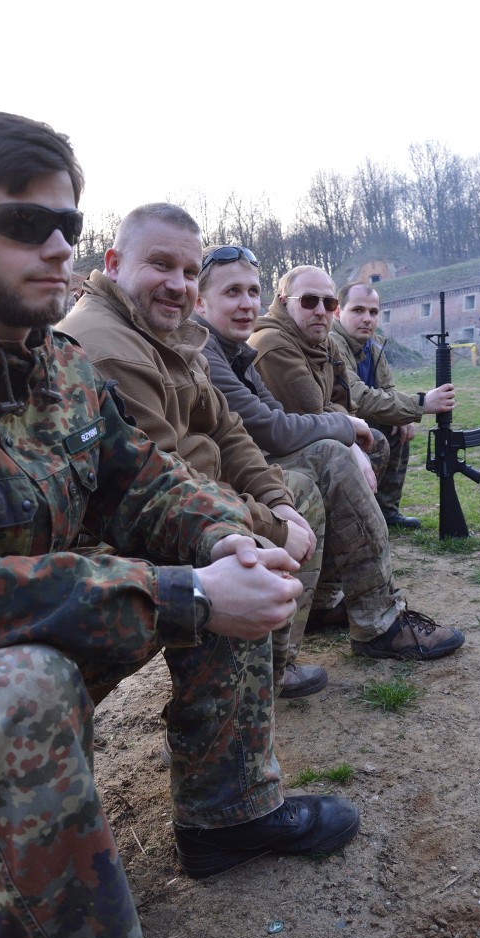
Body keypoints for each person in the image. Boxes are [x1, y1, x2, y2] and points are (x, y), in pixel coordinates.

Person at [0, 112, 359, 938]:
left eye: (67, 224)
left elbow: (143, 476)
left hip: (41, 632)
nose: (57, 246)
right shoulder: (85, 345)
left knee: (220, 553)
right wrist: (193, 595)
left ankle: (230, 814)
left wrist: (226, 540)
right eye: (25, 224)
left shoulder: (55, 369)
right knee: (19, 689)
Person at [60, 203, 327, 699]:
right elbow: (158, 482)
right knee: (239, 561)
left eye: (188, 271)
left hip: (198, 499)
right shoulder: (109, 346)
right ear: (114, 263)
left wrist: (277, 500)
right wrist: (268, 525)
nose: (178, 284)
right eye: (160, 264)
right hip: (132, 529)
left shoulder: (169, 333)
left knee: (298, 493)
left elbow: (227, 427)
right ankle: (226, 749)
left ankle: (272, 670)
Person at [195, 247, 466, 663]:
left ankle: (331, 604)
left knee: (357, 445)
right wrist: (347, 430)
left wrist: (355, 423)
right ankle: (379, 620)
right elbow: (279, 425)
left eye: (252, 291)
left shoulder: (238, 351)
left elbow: (339, 401)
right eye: (232, 292)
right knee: (332, 458)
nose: (246, 303)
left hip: (241, 463)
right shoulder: (258, 345)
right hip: (212, 480)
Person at [329, 281, 456, 529]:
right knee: (393, 422)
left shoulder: (374, 344)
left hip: (359, 418)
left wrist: (405, 415)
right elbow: (358, 398)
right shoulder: (333, 343)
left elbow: (387, 389)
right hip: (336, 419)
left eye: (373, 312)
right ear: (338, 312)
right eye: (358, 310)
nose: (367, 319)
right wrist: (421, 404)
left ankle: (387, 510)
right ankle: (360, 514)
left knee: (401, 426)